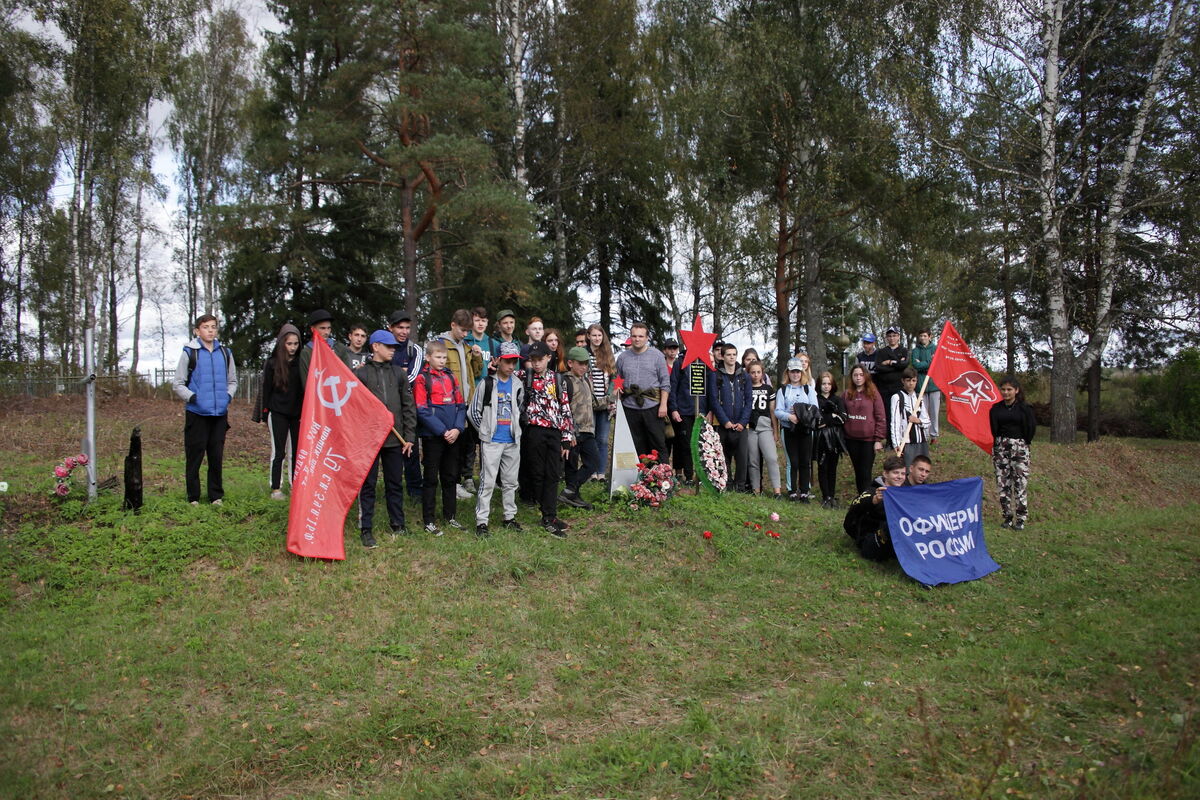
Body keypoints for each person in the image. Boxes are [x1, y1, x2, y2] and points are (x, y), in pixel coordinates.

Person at [356, 330, 417, 547]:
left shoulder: (399, 374)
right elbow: (354, 410)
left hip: (395, 439)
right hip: (369, 441)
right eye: (388, 346)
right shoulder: (361, 375)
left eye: (394, 347)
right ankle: (366, 528)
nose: (393, 350)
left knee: (394, 483)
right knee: (368, 485)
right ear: (375, 347)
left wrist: (409, 436)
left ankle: (398, 524)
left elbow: (408, 406)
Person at [173, 314, 238, 506]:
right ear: (197, 331)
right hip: (197, 414)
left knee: (216, 456)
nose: (210, 330)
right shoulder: (189, 353)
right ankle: (193, 496)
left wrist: (228, 397)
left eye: (213, 327)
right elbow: (178, 384)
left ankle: (215, 495)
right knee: (195, 456)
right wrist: (193, 397)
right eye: (206, 327)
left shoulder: (225, 353)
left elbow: (232, 381)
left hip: (219, 414)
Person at [468, 341, 525, 537]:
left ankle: (509, 517)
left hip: (511, 440)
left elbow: (520, 408)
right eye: (508, 361)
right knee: (488, 481)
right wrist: (485, 432)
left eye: (514, 362)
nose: (511, 366)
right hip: (492, 441)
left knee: (510, 481)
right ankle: (482, 521)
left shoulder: (518, 384)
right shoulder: (487, 383)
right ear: (498, 360)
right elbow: (473, 412)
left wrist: (516, 430)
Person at [520, 340, 575, 536]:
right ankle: (546, 513)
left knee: (553, 474)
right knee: (537, 473)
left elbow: (565, 409)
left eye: (539, 360)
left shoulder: (558, 380)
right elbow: (506, 374)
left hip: (554, 432)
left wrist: (567, 438)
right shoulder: (524, 376)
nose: (536, 364)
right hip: (534, 432)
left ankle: (550, 515)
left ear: (548, 358)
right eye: (532, 360)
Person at [415, 340, 467, 536]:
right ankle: (429, 520)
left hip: (453, 436)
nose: (442, 360)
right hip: (433, 436)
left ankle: (450, 516)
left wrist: (457, 428)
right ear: (428, 357)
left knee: (451, 476)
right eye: (438, 357)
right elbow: (422, 409)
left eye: (444, 357)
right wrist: (442, 431)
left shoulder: (450, 376)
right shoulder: (422, 378)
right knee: (430, 478)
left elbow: (461, 405)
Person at [437, 309, 484, 498]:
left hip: (467, 402)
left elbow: (477, 372)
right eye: (463, 330)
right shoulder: (441, 345)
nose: (465, 335)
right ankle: (451, 485)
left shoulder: (465, 347)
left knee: (464, 445)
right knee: (450, 447)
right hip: (449, 404)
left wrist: (477, 356)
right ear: (453, 325)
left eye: (468, 331)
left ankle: (458, 482)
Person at [616, 322, 671, 459]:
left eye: (640, 336)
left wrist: (663, 405)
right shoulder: (623, 357)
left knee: (658, 443)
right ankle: (639, 477)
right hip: (630, 406)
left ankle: (662, 476)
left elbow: (665, 382)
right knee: (635, 444)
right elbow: (617, 378)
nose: (637, 339)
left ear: (647, 338)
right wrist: (617, 386)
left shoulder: (657, 356)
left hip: (652, 406)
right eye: (634, 336)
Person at [260, 323, 303, 500]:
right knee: (279, 452)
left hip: (297, 414)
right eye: (289, 344)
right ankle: (276, 487)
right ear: (281, 344)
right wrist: (264, 414)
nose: (292, 348)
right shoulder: (272, 364)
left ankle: (296, 486)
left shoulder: (302, 364)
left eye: (295, 344)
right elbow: (266, 389)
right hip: (277, 412)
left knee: (296, 452)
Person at [842, 454, 909, 561]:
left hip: (895, 541)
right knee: (890, 526)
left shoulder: (905, 493)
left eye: (903, 473)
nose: (900, 477)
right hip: (870, 540)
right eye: (895, 473)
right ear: (885, 474)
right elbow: (854, 508)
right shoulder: (872, 492)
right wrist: (874, 501)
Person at [990, 375, 1036, 530]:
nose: (1006, 392)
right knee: (1003, 483)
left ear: (1016, 390)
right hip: (1001, 447)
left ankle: (1021, 518)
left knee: (1020, 482)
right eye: (1003, 389)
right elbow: (994, 429)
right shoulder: (996, 409)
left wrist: (1021, 443)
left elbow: (1030, 429)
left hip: (1019, 447)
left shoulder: (1025, 409)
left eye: (1009, 389)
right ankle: (1007, 516)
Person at [387, 310, 425, 497]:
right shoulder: (385, 348)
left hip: (409, 406)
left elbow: (412, 376)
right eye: (400, 327)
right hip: (387, 407)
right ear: (391, 328)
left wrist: (395, 375)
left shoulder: (415, 350)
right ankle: (391, 488)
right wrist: (399, 374)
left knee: (411, 446)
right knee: (389, 449)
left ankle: (415, 489)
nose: (404, 331)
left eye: (407, 328)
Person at [560, 346, 600, 510]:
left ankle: (570, 490)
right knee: (571, 464)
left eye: (586, 364)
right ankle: (573, 494)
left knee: (594, 462)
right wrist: (568, 434)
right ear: (570, 363)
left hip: (588, 430)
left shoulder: (587, 380)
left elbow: (594, 403)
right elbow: (563, 409)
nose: (584, 367)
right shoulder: (565, 381)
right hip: (572, 433)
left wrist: (612, 398)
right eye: (581, 363)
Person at [708, 343, 752, 492]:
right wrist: (724, 421)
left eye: (734, 354)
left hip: (741, 424)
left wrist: (743, 422)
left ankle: (740, 486)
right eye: (728, 354)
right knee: (723, 456)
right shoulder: (715, 375)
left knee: (742, 457)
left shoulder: (744, 376)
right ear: (723, 356)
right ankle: (727, 483)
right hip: (723, 424)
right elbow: (713, 400)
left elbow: (749, 400)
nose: (732, 357)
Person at [774, 356, 818, 502]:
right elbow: (778, 411)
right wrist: (789, 417)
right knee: (792, 461)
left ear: (802, 373)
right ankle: (792, 490)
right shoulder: (783, 390)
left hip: (805, 430)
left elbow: (814, 408)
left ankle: (804, 491)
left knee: (805, 461)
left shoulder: (808, 389)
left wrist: (802, 415)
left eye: (798, 372)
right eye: (793, 372)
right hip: (789, 429)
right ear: (788, 373)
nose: (795, 375)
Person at [843, 364, 886, 495]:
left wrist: (878, 439)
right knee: (858, 471)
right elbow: (841, 415)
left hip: (869, 440)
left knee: (865, 471)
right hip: (851, 439)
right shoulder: (846, 394)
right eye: (855, 375)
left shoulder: (873, 393)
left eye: (861, 375)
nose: (858, 378)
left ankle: (867, 497)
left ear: (866, 376)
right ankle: (861, 497)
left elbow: (880, 416)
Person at [667, 345, 705, 485]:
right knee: (686, 444)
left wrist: (708, 410)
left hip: (701, 411)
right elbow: (673, 386)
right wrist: (674, 408)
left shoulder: (704, 363)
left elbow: (709, 388)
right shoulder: (679, 363)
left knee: (701, 445)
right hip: (683, 411)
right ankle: (688, 476)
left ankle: (701, 476)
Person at [746, 361, 783, 499]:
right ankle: (756, 490)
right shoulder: (746, 388)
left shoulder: (768, 389)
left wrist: (775, 430)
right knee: (753, 460)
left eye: (758, 372)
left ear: (762, 373)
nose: (755, 375)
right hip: (751, 427)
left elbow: (772, 411)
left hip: (765, 426)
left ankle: (777, 491)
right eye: (752, 372)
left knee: (772, 458)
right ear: (749, 373)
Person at [585, 324, 616, 480]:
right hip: (589, 402)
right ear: (589, 336)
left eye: (599, 335)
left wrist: (610, 394)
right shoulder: (584, 354)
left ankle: (601, 472)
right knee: (590, 438)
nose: (597, 338)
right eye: (594, 335)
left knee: (603, 439)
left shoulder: (607, 354)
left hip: (605, 402)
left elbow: (614, 377)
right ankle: (591, 471)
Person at [814, 370, 849, 509]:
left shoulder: (837, 399)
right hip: (821, 438)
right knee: (822, 466)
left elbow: (842, 418)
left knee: (832, 468)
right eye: (824, 383)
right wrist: (831, 417)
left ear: (832, 384)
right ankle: (825, 496)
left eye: (829, 383)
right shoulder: (815, 399)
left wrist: (830, 418)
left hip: (835, 439)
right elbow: (816, 420)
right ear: (819, 385)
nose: (826, 386)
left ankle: (832, 495)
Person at [298, 309, 353, 386]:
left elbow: (348, 375)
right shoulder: (306, 353)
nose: (327, 332)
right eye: (322, 328)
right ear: (312, 329)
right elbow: (307, 384)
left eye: (329, 328)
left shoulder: (339, 348)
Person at [890, 367, 931, 466]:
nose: (911, 383)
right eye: (908, 380)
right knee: (908, 469)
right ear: (903, 381)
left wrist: (918, 421)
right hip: (907, 442)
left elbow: (927, 421)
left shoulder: (919, 397)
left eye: (914, 380)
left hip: (921, 441)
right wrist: (896, 443)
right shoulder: (897, 398)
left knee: (922, 469)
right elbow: (895, 422)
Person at [873, 326, 909, 429]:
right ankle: (890, 439)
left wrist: (889, 362)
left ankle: (902, 439)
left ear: (898, 337)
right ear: (886, 338)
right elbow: (878, 367)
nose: (892, 338)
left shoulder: (904, 350)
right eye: (889, 336)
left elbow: (904, 365)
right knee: (888, 414)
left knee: (900, 413)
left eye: (894, 335)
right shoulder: (881, 352)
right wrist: (897, 363)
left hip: (899, 387)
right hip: (885, 389)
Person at [910, 328, 940, 443]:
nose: (923, 338)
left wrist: (924, 363)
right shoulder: (916, 350)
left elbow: (937, 365)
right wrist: (929, 363)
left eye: (925, 336)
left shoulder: (936, 349)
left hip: (934, 385)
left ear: (929, 336)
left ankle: (934, 435)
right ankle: (925, 434)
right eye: (921, 336)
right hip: (921, 384)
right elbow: (916, 365)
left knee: (934, 412)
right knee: (923, 411)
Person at [660, 338, 681, 464]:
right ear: (665, 350)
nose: (672, 351)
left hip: (677, 406)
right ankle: (664, 466)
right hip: (663, 406)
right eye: (670, 348)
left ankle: (678, 469)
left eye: (675, 348)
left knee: (677, 440)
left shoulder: (681, 365)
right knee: (665, 439)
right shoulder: (661, 366)